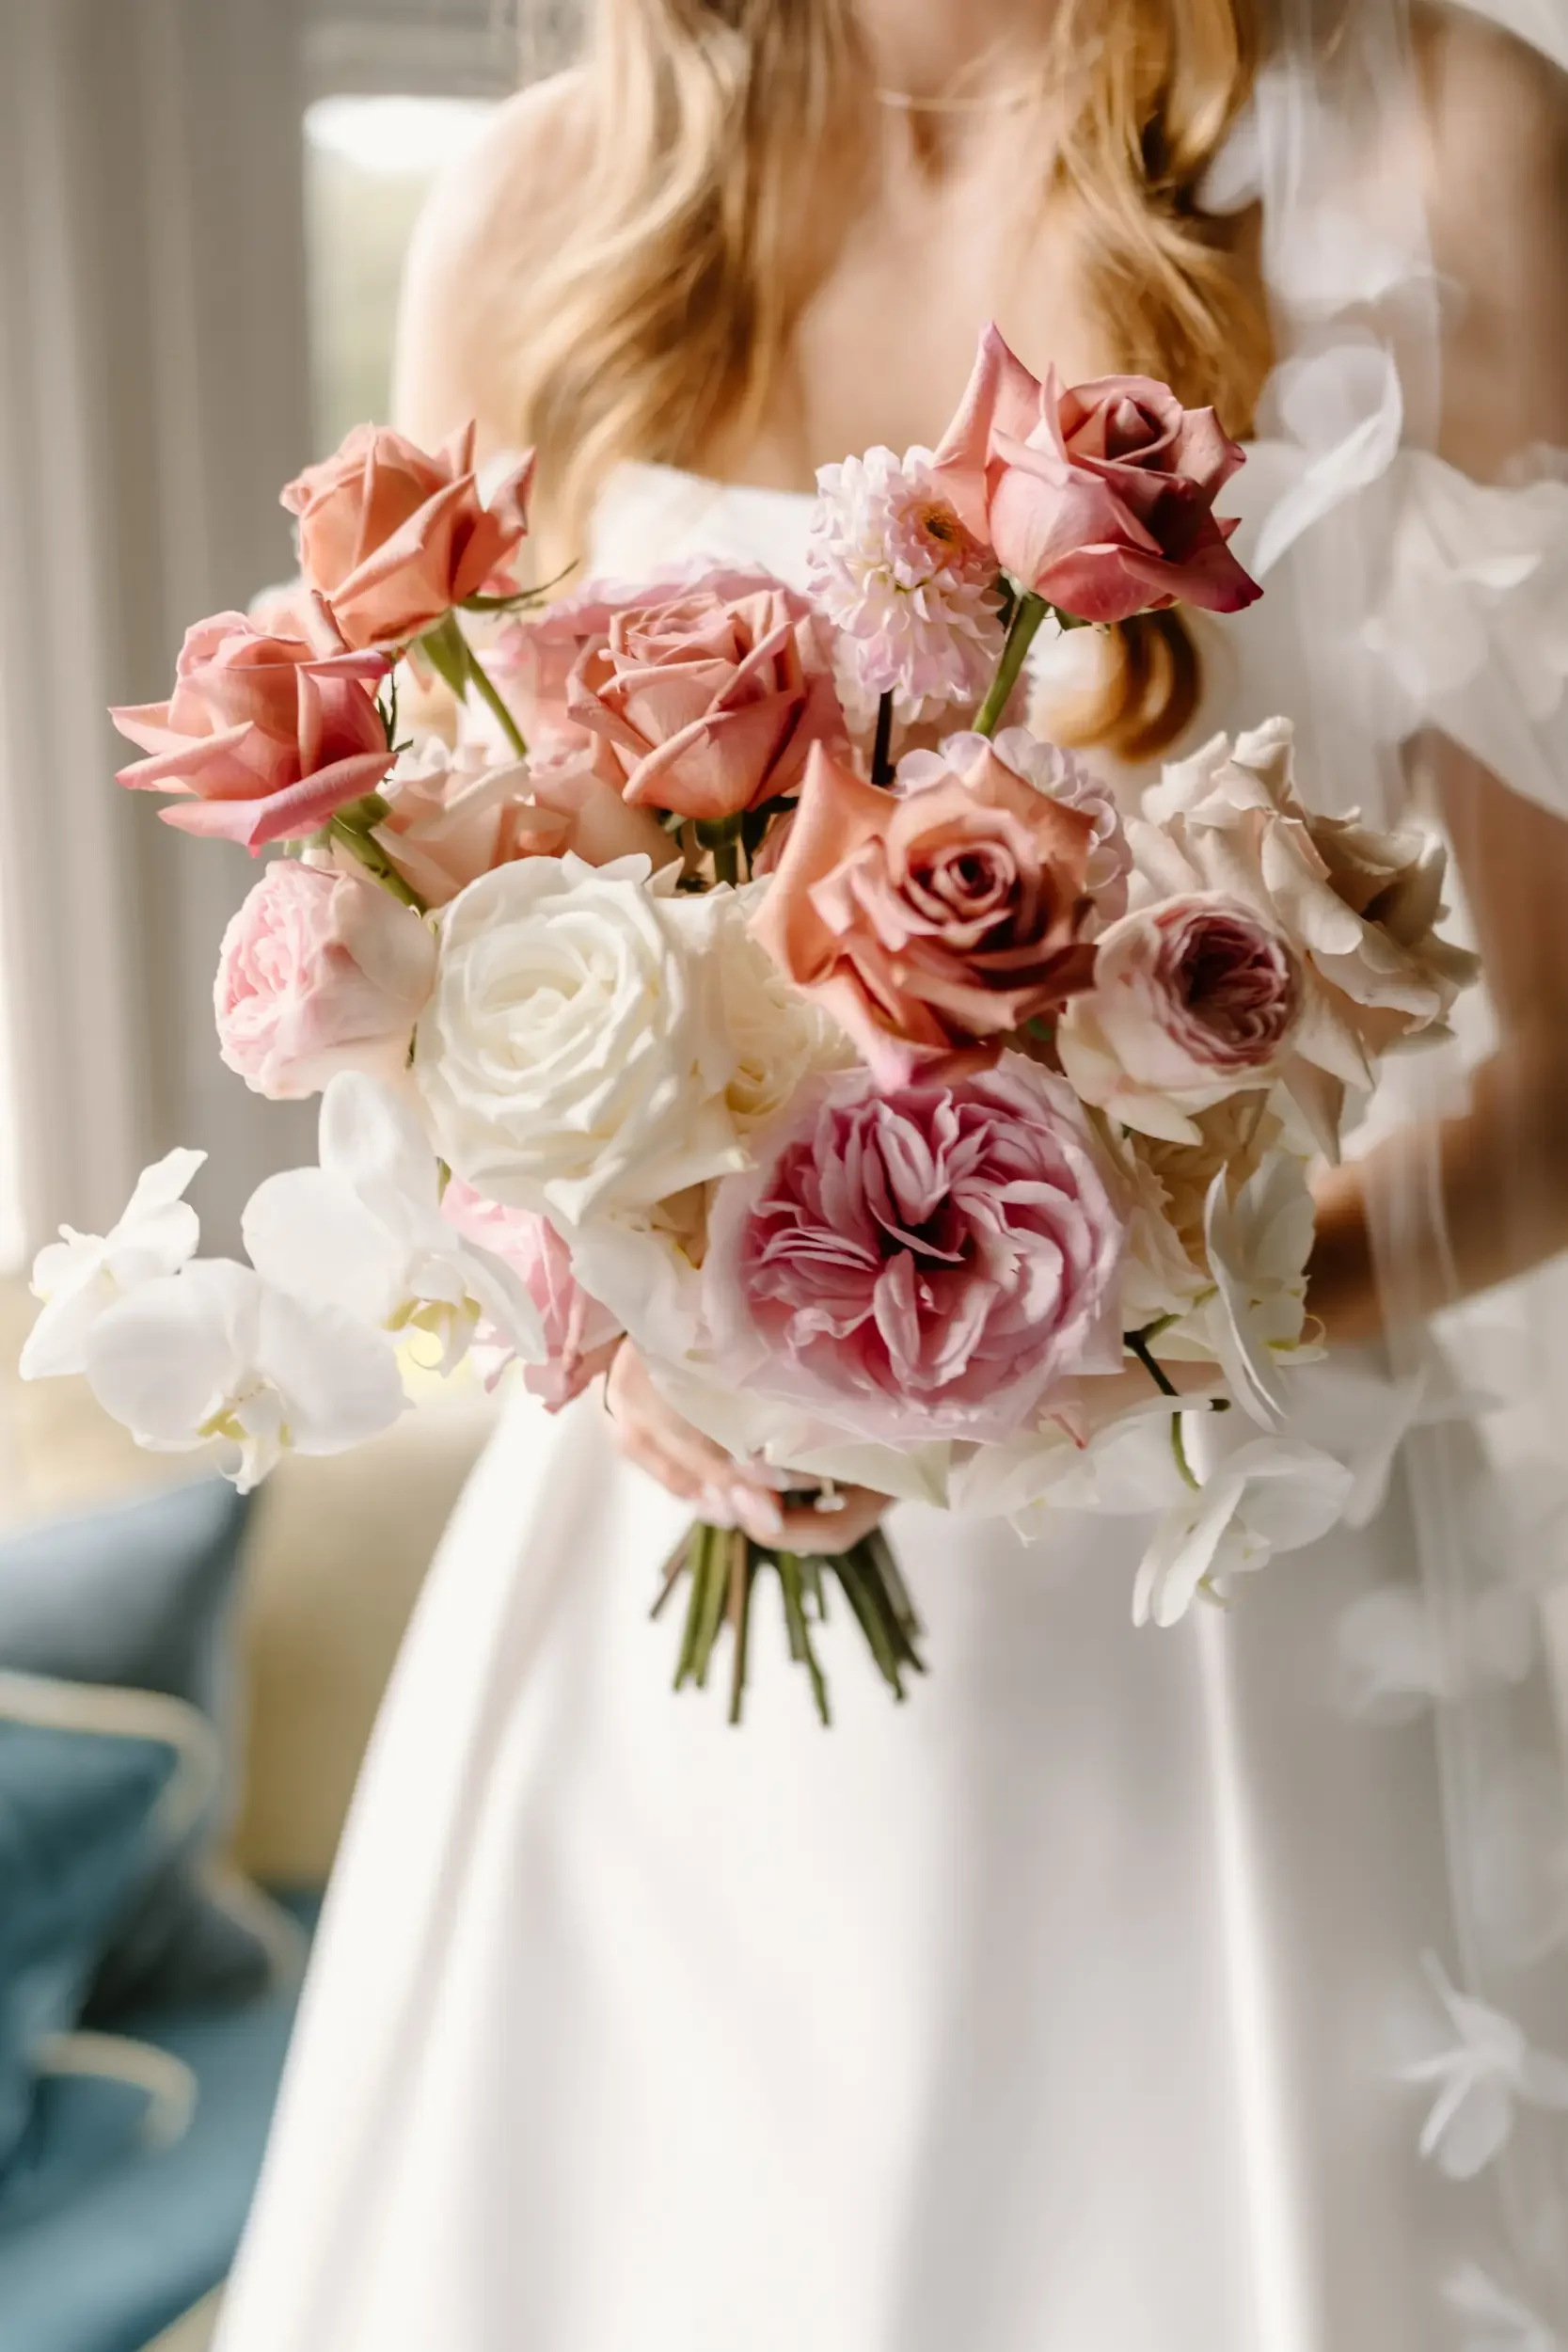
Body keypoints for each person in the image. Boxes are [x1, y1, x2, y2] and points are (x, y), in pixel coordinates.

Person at [214, 5, 1568, 2347]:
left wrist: (1116, 1326)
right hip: (661, 1644)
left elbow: (1558, 1065)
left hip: (1229, 1604)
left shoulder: (1431, 144)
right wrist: (624, 1299)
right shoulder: (530, 213)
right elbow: (445, 969)